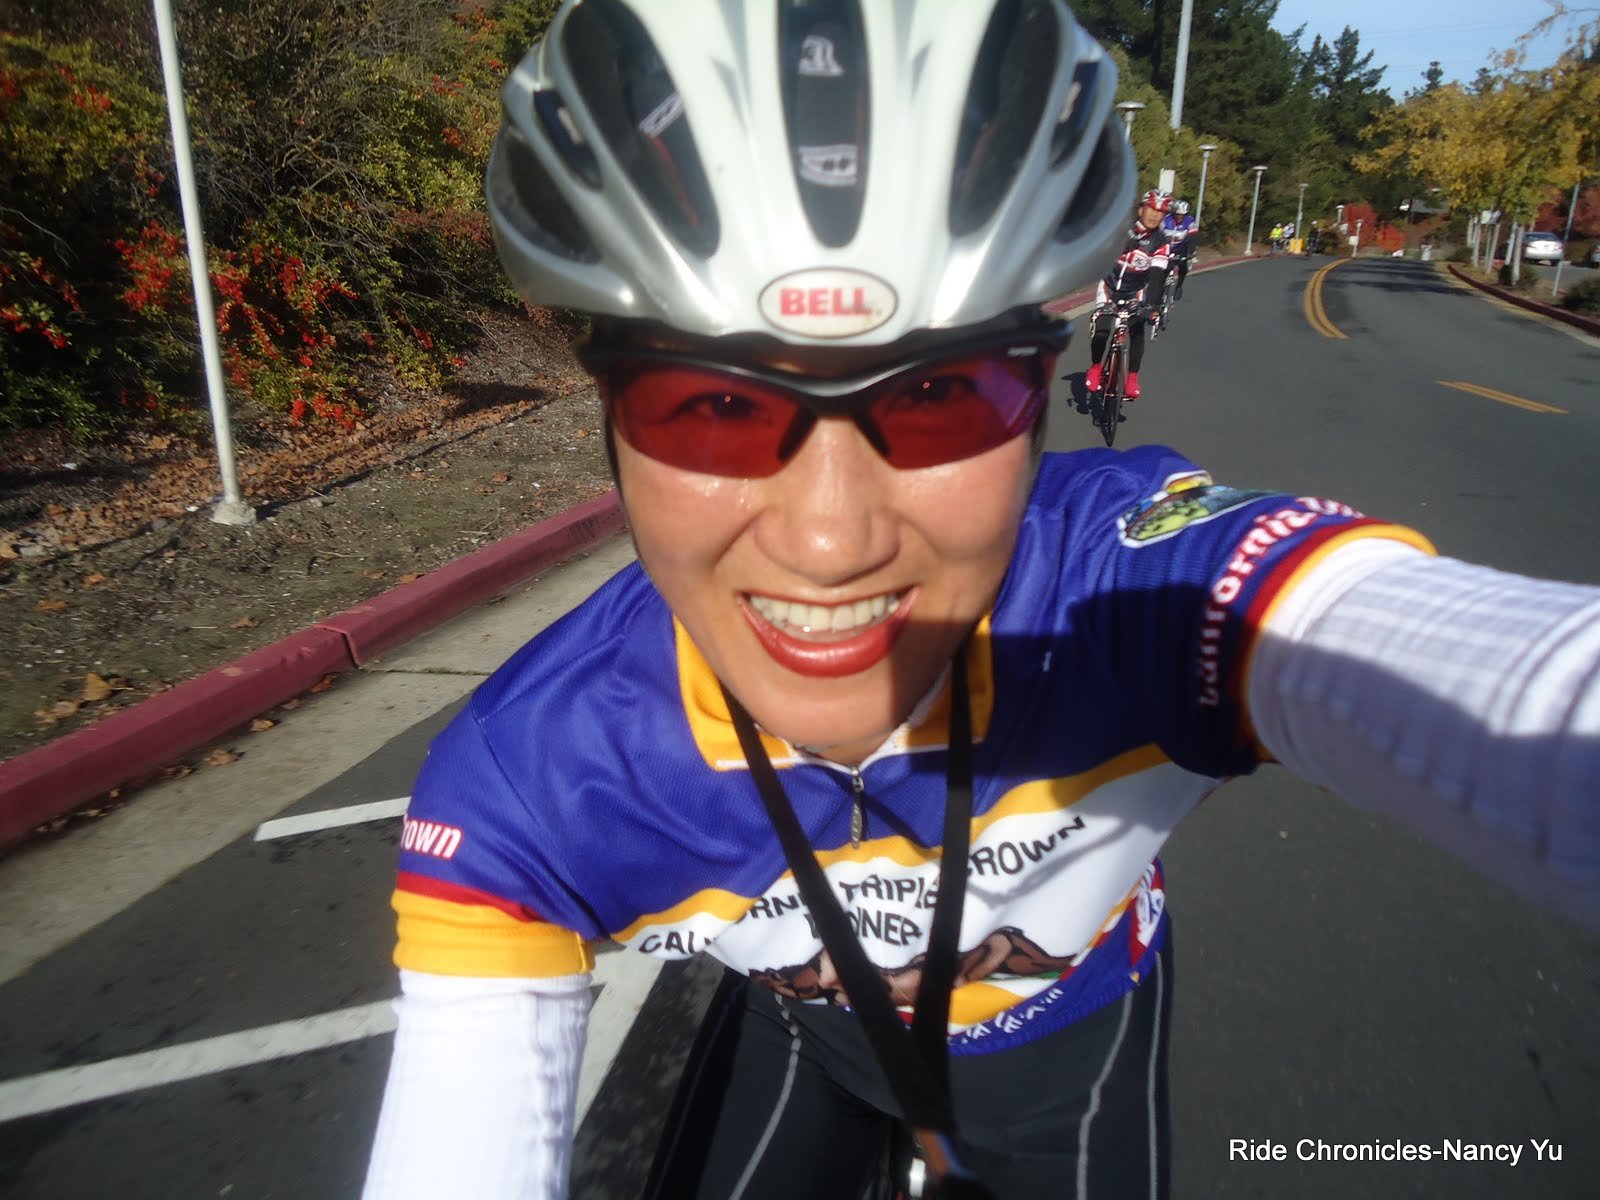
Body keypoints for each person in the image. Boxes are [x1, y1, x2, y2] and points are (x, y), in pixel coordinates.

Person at [362, 2, 1600, 1198]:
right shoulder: (531, 780)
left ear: (1039, 403)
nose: (831, 540)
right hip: (814, 1039)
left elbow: (1523, 691)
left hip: (1067, 1043)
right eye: (716, 406)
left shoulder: (1132, 592)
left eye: (939, 397)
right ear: (609, 425)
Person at [1083, 188, 1170, 401]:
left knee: (1137, 332)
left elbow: (1157, 276)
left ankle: (1132, 378)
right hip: (1109, 286)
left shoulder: (1161, 241)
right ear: (1141, 210)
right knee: (1102, 329)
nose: (1154, 215)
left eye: (1160, 212)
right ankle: (1096, 367)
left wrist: (1152, 306)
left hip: (1135, 291)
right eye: (1151, 209)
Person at [1159, 199, 1198, 301]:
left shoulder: (1190, 221)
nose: (1179, 217)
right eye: (1177, 214)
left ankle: (1179, 286)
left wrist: (1190, 252)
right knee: (1164, 268)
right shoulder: (1166, 219)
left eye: (1182, 215)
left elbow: (1193, 237)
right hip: (1167, 247)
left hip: (1182, 248)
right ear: (1173, 213)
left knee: (1183, 265)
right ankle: (1160, 292)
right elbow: (1159, 234)